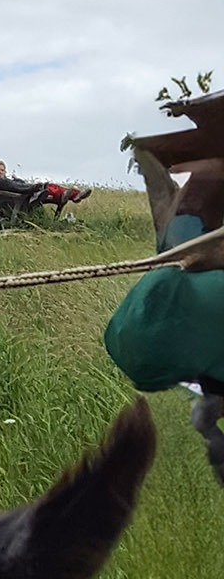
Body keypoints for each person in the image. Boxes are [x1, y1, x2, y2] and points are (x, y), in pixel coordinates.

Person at [103, 157, 224, 486]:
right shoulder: (190, 218)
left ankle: (210, 415)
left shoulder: (185, 216)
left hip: (171, 318)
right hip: (180, 312)